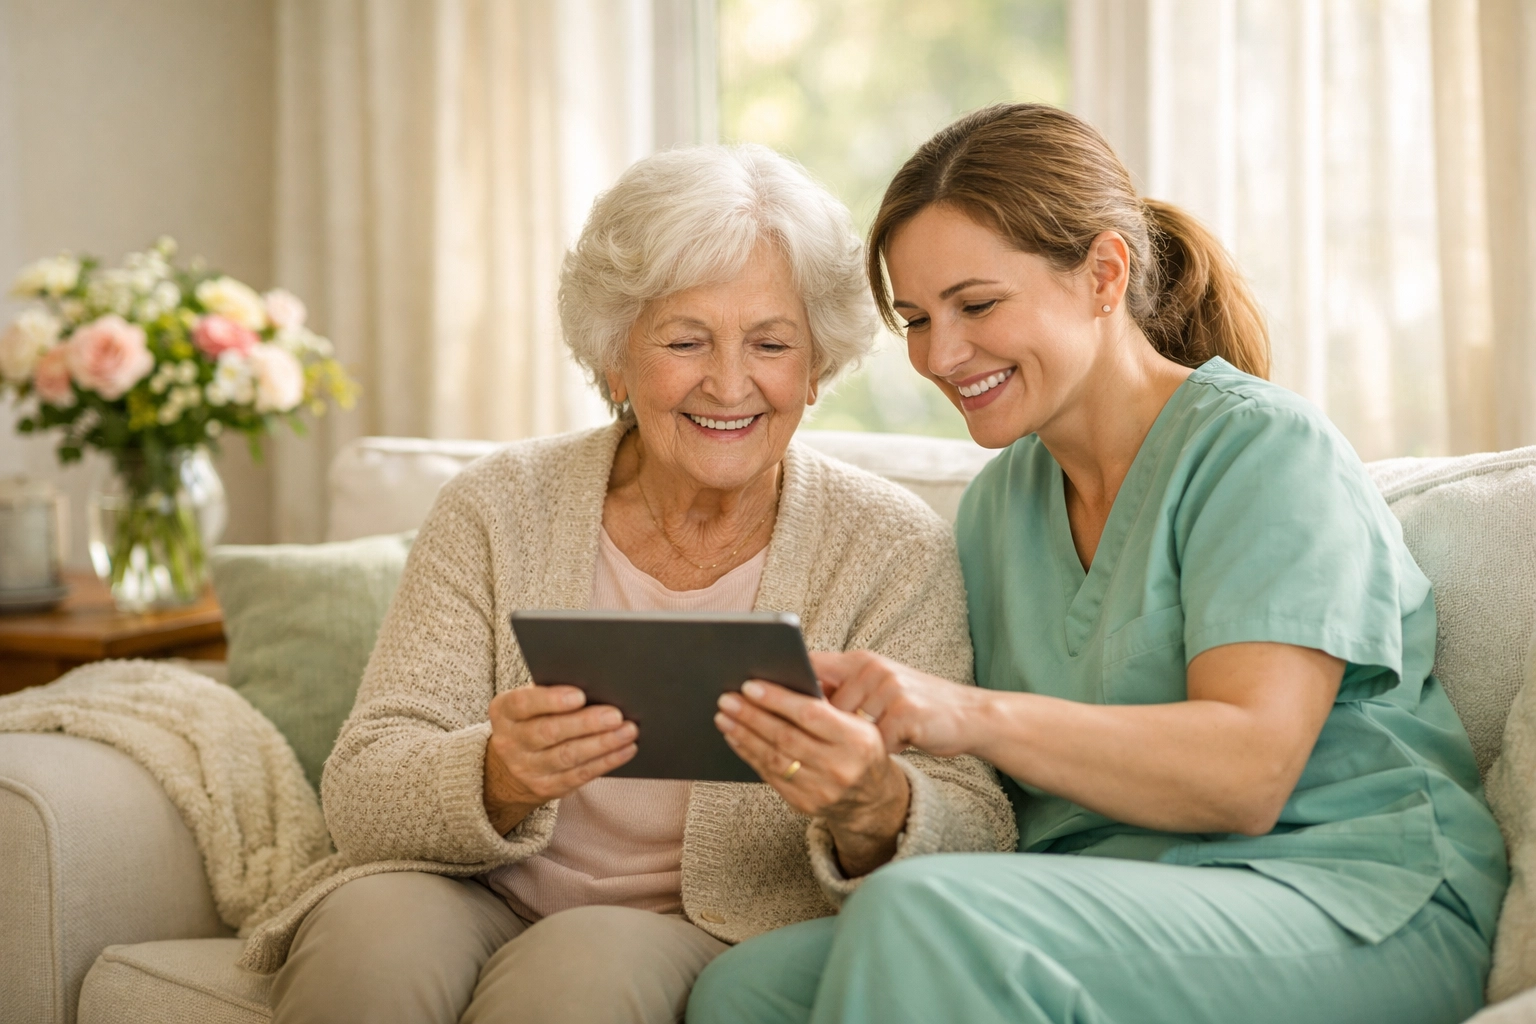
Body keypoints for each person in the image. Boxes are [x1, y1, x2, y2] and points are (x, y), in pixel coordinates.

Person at [687, 103, 1507, 1024]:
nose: (941, 355)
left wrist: (962, 713)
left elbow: (1249, 774)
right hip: (1116, 895)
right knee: (746, 991)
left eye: (977, 305)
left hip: (1350, 896)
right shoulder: (998, 509)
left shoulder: (1263, 450)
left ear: (1105, 274)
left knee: (922, 917)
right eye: (916, 319)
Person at [266, 143, 1015, 1024]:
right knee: (367, 940)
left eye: (771, 343)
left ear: (815, 369)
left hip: (694, 926)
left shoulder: (890, 546)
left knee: (579, 970)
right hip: (468, 886)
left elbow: (974, 823)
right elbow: (362, 787)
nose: (728, 384)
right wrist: (497, 774)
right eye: (685, 341)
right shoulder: (497, 505)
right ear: (615, 358)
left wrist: (875, 803)